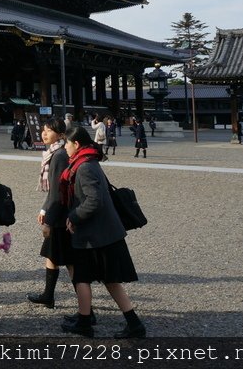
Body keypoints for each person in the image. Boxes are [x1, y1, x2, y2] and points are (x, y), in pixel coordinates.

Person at [59, 126, 145, 339]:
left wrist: (74, 216)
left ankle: (86, 321)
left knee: (83, 277)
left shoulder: (85, 166)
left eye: (66, 144)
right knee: (106, 279)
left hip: (95, 235)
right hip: (103, 232)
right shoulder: (89, 160)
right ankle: (130, 323)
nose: (65, 148)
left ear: (76, 144)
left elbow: (93, 201)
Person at [28, 118, 77, 312]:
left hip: (60, 214)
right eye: (43, 130)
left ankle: (85, 305)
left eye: (49, 130)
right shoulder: (54, 153)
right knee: (52, 254)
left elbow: (57, 191)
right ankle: (48, 295)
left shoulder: (58, 155)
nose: (44, 133)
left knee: (69, 260)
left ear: (61, 134)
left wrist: (47, 217)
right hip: (59, 210)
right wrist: (44, 208)